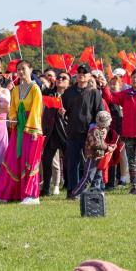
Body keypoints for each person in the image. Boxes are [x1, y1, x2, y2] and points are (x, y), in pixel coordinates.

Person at [0, 60, 44, 204]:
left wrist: (33, 130)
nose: (21, 72)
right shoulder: (15, 90)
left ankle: (32, 195)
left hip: (31, 127)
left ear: (31, 69)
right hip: (19, 128)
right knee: (14, 158)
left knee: (30, 159)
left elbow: (36, 110)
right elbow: (12, 108)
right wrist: (13, 118)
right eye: (18, 69)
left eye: (23, 68)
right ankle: (12, 193)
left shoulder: (35, 89)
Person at [102, 68, 136, 195]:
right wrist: (105, 86)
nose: (135, 79)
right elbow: (111, 98)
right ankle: (134, 187)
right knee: (132, 161)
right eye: (133, 77)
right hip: (128, 134)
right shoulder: (126, 94)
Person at [61, 63, 104, 198]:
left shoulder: (94, 92)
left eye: (84, 73)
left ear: (89, 76)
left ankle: (94, 188)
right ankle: (72, 191)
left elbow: (100, 112)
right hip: (73, 132)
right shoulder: (68, 92)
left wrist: (98, 131)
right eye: (79, 72)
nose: (81, 75)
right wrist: (62, 112)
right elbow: (63, 110)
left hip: (89, 134)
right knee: (72, 163)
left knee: (91, 162)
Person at [69, 111, 116, 199]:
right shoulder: (94, 131)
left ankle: (96, 195)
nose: (109, 123)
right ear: (104, 122)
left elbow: (102, 143)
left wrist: (110, 146)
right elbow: (96, 144)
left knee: (98, 178)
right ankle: (75, 194)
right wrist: (107, 148)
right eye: (108, 121)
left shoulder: (101, 131)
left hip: (100, 158)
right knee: (87, 178)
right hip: (92, 158)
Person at [40, 70, 70, 197]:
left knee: (70, 161)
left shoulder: (71, 95)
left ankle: (70, 185)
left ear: (69, 83)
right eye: (59, 77)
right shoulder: (49, 93)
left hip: (66, 132)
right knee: (47, 161)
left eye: (64, 78)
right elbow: (38, 82)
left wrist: (67, 113)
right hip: (51, 131)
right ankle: (46, 188)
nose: (60, 79)